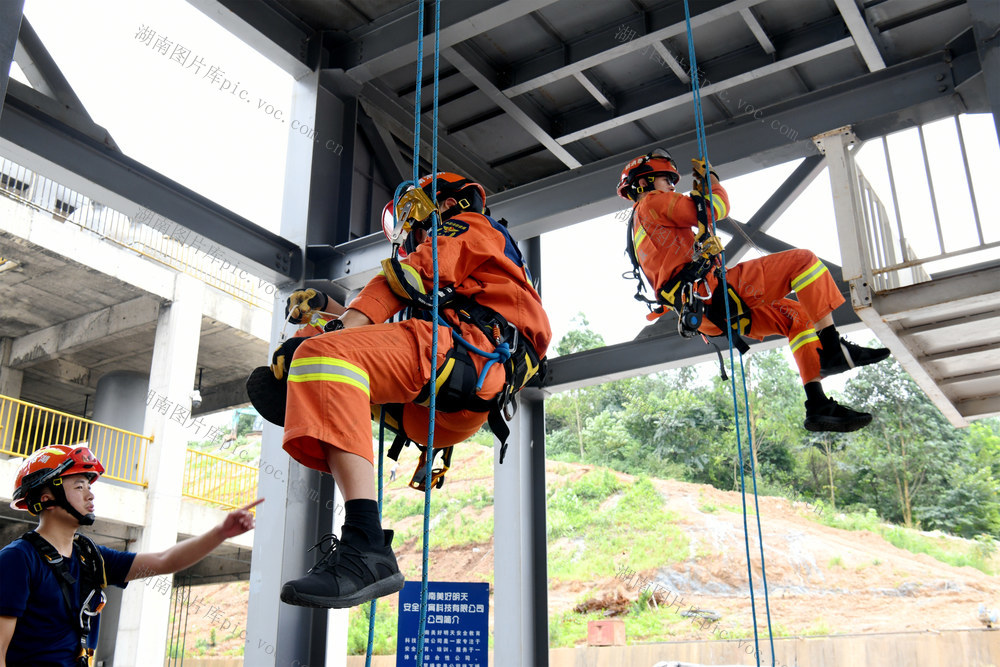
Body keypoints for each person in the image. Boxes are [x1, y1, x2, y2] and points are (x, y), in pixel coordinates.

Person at [259, 172, 551, 610]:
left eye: (414, 213)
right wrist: (323, 316)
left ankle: (365, 543)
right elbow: (381, 329)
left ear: (447, 205)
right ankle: (362, 542)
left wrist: (325, 335)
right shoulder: (457, 282)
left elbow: (409, 276)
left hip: (467, 360)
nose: (409, 228)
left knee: (321, 357)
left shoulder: (472, 228)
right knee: (323, 372)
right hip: (448, 397)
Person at [616, 149, 890, 432]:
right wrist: (711, 180)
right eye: (667, 180)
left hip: (706, 313)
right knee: (803, 261)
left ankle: (817, 403)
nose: (672, 187)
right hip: (712, 292)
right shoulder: (651, 202)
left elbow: (679, 254)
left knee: (797, 317)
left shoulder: (642, 224)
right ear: (644, 183)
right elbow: (715, 210)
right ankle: (832, 347)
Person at [0, 444, 261, 667]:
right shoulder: (18, 559)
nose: (90, 494)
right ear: (47, 498)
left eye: (89, 485)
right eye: (79, 486)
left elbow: (164, 561)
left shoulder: (91, 557)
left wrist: (221, 532)